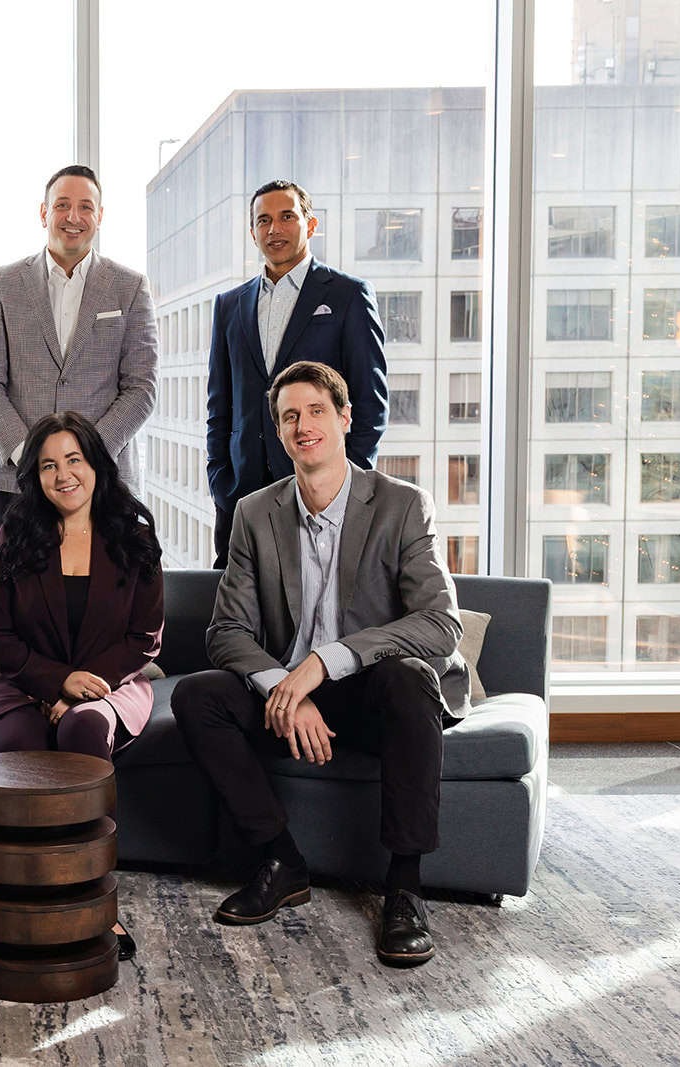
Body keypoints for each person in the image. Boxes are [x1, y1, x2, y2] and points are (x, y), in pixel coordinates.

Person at [173, 360, 469, 969]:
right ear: (279, 435)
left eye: (315, 411)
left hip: (372, 695)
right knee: (197, 696)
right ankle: (282, 861)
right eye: (289, 417)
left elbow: (441, 625)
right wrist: (289, 685)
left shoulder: (402, 506)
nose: (302, 425)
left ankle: (405, 888)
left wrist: (322, 664)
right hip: (289, 699)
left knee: (410, 677)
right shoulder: (255, 514)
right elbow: (225, 631)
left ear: (345, 418)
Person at [0, 410, 164, 962]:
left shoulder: (133, 534)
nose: (63, 475)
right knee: (18, 744)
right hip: (24, 680)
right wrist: (57, 681)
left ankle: (93, 901)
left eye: (74, 460)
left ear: (96, 465)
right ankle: (29, 897)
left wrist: (84, 687)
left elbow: (144, 638)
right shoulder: (17, 533)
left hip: (112, 683)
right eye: (48, 465)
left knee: (84, 727)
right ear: (33, 475)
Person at [205, 178, 389, 567]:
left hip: (321, 491)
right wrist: (220, 478)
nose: (275, 229)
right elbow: (219, 405)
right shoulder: (229, 306)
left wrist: (341, 485)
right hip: (241, 493)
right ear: (253, 232)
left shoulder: (348, 296)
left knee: (318, 607)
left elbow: (370, 404)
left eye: (287, 216)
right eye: (264, 220)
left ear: (310, 224)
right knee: (239, 610)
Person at [0, 164, 158, 534]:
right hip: (19, 483)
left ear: (100, 216)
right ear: (44, 213)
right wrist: (32, 456)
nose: (74, 217)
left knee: (106, 591)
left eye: (86, 207)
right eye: (62, 205)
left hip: (107, 481)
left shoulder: (131, 286)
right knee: (18, 590)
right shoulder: (2, 284)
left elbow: (142, 387)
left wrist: (85, 458)